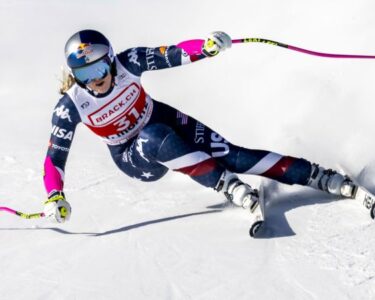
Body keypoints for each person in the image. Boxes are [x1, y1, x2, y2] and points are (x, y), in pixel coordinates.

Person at [43, 29, 355, 223]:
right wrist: (54, 195)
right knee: (152, 138)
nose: (94, 80)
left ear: (110, 60)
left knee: (233, 155)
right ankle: (227, 185)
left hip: (161, 117)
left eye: (98, 68)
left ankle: (318, 176)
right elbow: (54, 157)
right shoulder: (70, 106)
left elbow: (171, 54)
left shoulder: (129, 62)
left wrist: (205, 47)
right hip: (133, 157)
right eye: (83, 75)